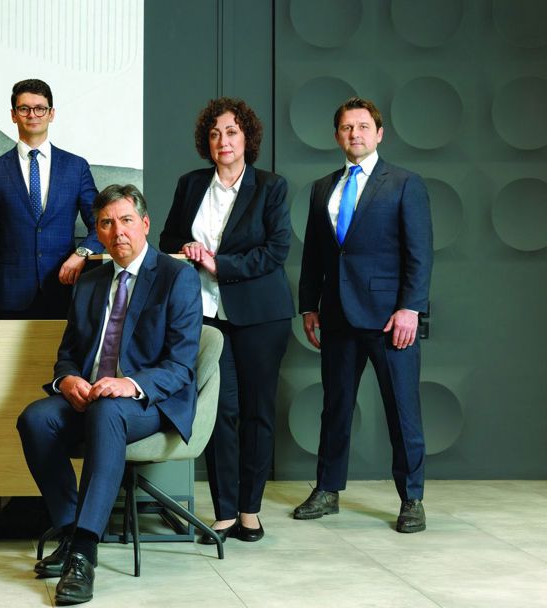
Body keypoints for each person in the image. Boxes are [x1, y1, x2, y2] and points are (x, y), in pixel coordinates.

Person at [17, 184, 202, 605]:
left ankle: (84, 553)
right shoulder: (90, 282)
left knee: (108, 412)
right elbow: (67, 355)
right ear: (97, 232)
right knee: (35, 419)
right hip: (92, 396)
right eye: (106, 223)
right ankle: (69, 531)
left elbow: (180, 366)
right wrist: (67, 381)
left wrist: (128, 384)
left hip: (149, 402)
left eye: (126, 220)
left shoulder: (176, 277)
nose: (118, 231)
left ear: (145, 224)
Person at [158, 98, 294, 544]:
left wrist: (219, 264)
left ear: (247, 137)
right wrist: (188, 249)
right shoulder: (191, 184)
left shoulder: (271, 187)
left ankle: (250, 511)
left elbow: (276, 250)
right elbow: (168, 238)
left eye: (232, 132)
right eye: (215, 133)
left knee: (257, 411)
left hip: (260, 316)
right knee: (220, 412)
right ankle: (225, 511)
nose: (223, 141)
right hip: (205, 315)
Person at [296, 97, 433, 533]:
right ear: (337, 135)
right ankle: (327, 490)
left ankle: (412, 498)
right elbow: (314, 254)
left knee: (402, 411)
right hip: (336, 314)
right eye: (346, 127)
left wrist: (410, 308)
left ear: (379, 134)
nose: (354, 133)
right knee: (335, 407)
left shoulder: (405, 184)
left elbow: (420, 253)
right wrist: (308, 305)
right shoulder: (323, 188)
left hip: (391, 319)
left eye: (362, 126)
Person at [0, 78, 102, 320]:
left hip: (65, 292)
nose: (32, 115)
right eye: (24, 108)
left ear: (51, 114)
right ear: (13, 115)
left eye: (40, 108)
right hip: (12, 297)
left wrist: (81, 253)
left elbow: (101, 225)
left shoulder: (76, 167)